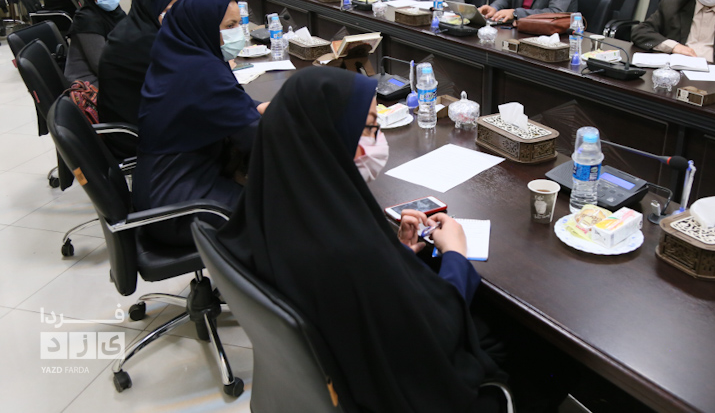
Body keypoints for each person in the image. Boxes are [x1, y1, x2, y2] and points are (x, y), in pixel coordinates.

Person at [218, 66, 514, 413]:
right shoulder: (348, 251)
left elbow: (368, 297)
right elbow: (434, 332)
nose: (377, 141)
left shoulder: (268, 204)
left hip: (334, 373)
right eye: (371, 127)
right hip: (400, 392)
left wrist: (398, 254)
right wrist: (456, 257)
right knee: (517, 339)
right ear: (332, 137)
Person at [134, 0, 268, 247]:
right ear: (203, 25)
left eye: (238, 24)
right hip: (179, 205)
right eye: (230, 26)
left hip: (161, 186)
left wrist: (259, 106)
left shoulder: (179, 56)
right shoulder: (202, 72)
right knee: (285, 212)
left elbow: (226, 105)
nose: (238, 33)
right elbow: (258, 138)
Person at [98, 0, 183, 158]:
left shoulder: (134, 28)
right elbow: (184, 79)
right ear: (150, 9)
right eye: (168, 11)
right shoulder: (142, 43)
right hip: (135, 135)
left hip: (137, 118)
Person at [65, 0, 127, 85]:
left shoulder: (117, 13)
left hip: (114, 70)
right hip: (89, 82)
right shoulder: (87, 19)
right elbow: (100, 65)